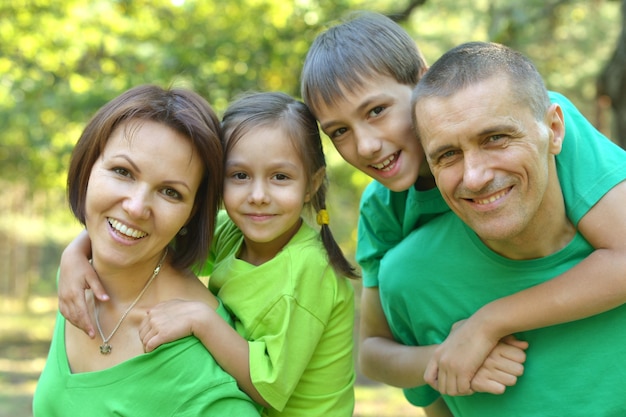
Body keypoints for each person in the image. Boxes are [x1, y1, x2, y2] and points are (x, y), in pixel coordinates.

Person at [300, 10, 626, 402]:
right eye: (339, 132)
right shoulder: (383, 209)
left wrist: (488, 323)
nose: (366, 145)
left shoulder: (537, 125)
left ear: (423, 81)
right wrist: (447, 355)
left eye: (376, 111)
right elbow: (374, 350)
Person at [57, 92, 357, 416]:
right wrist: (76, 252)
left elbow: (269, 388)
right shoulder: (234, 232)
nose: (257, 196)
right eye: (240, 176)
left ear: (312, 185)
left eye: (280, 177)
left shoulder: (309, 270)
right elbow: (150, 232)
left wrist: (202, 320)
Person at [377, 40, 626, 415]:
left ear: (555, 130)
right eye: (447, 155)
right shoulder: (409, 280)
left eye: (495, 138)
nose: (474, 177)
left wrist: (488, 322)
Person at [32, 85, 260, 416]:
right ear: (88, 167)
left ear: (192, 214)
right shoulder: (79, 279)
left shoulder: (197, 367)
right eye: (123, 172)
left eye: (170, 192)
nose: (137, 207)